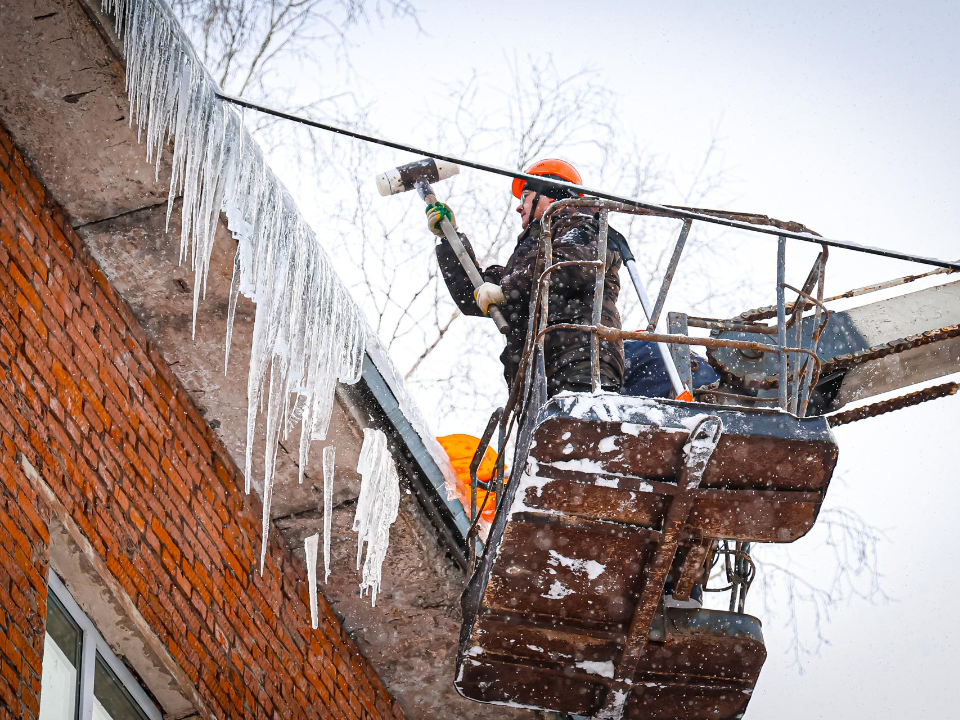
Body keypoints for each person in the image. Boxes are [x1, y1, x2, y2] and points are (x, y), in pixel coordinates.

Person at [428, 159, 625, 397]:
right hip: (537, 377)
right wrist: (450, 237)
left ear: (551, 196)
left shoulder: (584, 225)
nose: (519, 207)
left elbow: (570, 266)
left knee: (578, 418)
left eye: (525, 196)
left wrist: (507, 289)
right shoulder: (532, 256)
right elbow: (475, 294)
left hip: (579, 360)